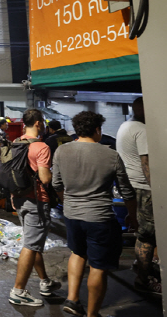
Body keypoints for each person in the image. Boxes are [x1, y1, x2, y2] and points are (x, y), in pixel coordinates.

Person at [54, 111, 138, 316]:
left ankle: (72, 300)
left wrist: (68, 204)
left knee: (77, 252)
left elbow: (56, 184)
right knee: (98, 266)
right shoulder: (111, 155)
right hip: (99, 218)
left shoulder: (61, 151)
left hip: (72, 216)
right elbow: (126, 191)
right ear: (97, 130)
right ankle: (92, 314)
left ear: (77, 130)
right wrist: (132, 216)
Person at [8, 109, 61, 307]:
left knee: (33, 241)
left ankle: (45, 282)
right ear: (38, 124)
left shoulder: (16, 143)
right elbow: (46, 178)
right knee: (30, 245)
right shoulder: (41, 147)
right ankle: (18, 291)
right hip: (37, 201)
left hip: (19, 199)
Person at [116, 97, 160, 293]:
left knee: (140, 229)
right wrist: (158, 190)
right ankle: (144, 279)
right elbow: (146, 164)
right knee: (147, 235)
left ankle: (141, 265)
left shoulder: (125, 126)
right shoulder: (142, 131)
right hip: (145, 189)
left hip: (131, 186)